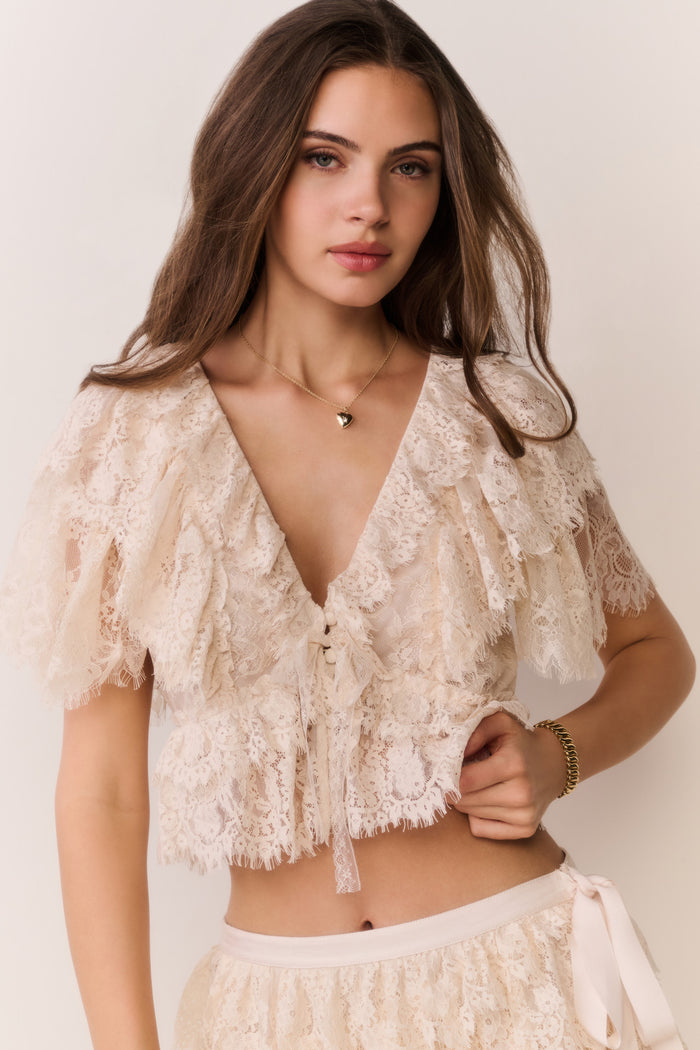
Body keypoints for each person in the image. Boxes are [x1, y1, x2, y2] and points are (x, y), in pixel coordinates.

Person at [0, 1, 694, 1047]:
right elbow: (99, 790)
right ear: (255, 165)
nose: (369, 206)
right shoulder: (132, 438)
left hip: (522, 982)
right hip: (271, 1012)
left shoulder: (496, 417)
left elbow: (655, 651)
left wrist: (559, 752)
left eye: (410, 168)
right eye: (324, 158)